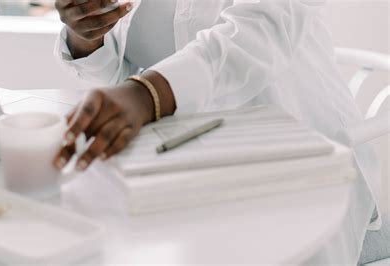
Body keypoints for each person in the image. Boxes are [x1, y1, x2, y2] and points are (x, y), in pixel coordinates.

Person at [53, 0, 382, 264]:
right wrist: (87, 33)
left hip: (302, 153)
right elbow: (115, 70)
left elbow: (259, 33)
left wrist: (146, 94)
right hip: (190, 158)